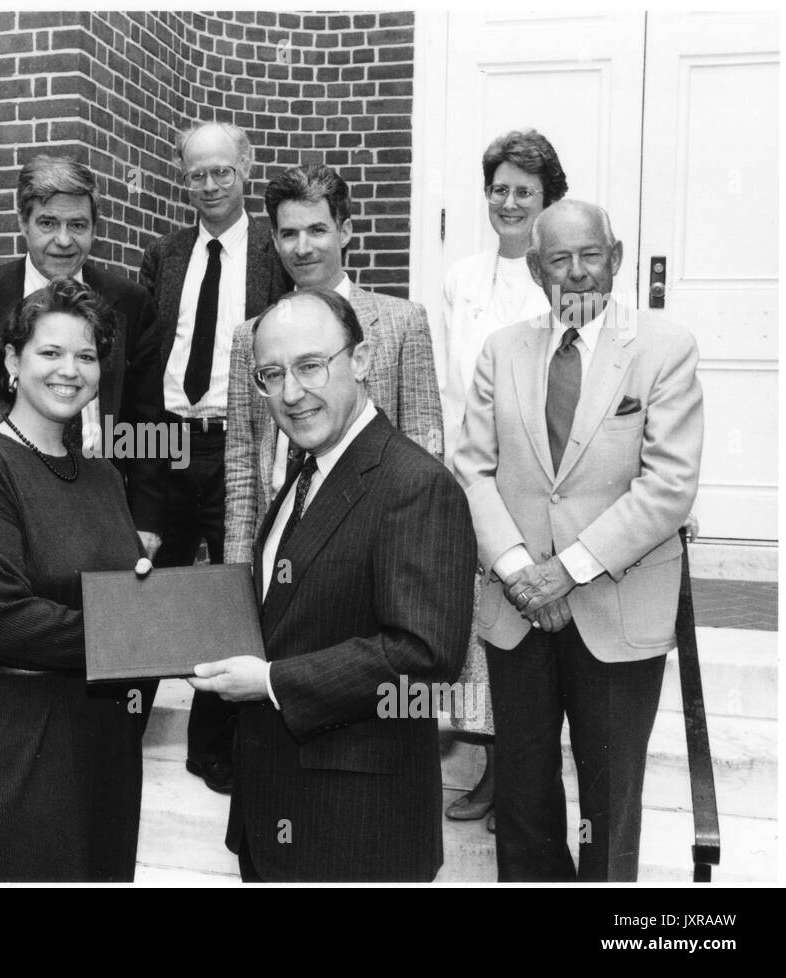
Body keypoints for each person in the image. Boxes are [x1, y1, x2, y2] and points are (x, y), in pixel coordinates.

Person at [454, 200, 704, 881]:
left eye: (590, 254)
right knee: (525, 795)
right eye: (558, 260)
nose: (577, 273)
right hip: (518, 610)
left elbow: (668, 486)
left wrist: (565, 570)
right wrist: (517, 572)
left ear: (615, 258)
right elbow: (470, 469)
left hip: (616, 607)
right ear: (536, 270)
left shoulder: (664, 347)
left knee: (610, 799)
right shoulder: (502, 351)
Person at [191, 288, 475, 881]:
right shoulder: (306, 473)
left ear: (363, 360)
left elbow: (424, 655)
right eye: (272, 374)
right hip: (276, 810)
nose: (291, 393)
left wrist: (270, 682)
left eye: (311, 366)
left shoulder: (414, 485)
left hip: (355, 828)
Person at [0, 278, 146, 881]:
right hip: (5, 739)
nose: (70, 370)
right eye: (50, 353)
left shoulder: (104, 479)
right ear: (13, 362)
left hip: (101, 741)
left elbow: (108, 596)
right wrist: (143, 631)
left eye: (87, 355)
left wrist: (148, 599)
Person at [139, 121, 289, 793]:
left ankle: (214, 747)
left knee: (233, 590)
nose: (208, 184)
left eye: (220, 171)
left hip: (239, 436)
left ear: (246, 167)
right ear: (183, 176)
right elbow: (147, 355)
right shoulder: (164, 254)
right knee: (148, 580)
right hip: (166, 438)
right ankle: (125, 726)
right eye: (196, 173)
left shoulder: (274, 252)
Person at [0, 155, 163, 554]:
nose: (64, 240)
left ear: (94, 229)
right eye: (48, 223)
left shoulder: (132, 303)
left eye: (78, 225)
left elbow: (149, 421)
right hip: (2, 511)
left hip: (106, 511)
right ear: (23, 222)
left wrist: (147, 523)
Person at [438, 130, 569, 829]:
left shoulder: (563, 276)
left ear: (548, 198)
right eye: (499, 188)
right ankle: (494, 768)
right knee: (485, 635)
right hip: (470, 480)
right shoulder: (461, 278)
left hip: (538, 484)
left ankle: (527, 780)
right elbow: (448, 388)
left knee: (532, 635)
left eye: (524, 190)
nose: (509, 201)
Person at [224, 162, 444, 570]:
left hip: (367, 548)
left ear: (345, 231)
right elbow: (240, 466)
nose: (302, 247)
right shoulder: (249, 338)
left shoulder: (401, 322)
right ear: (273, 239)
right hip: (277, 542)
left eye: (317, 230)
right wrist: (237, 575)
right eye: (289, 234)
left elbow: (424, 458)